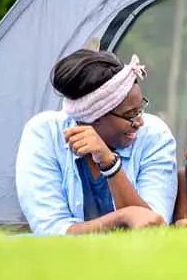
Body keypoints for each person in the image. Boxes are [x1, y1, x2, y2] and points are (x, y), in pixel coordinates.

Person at [15, 49, 177, 235]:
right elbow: (50, 229)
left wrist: (110, 165)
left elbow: (154, 226)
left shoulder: (154, 136)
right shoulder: (44, 134)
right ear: (94, 117)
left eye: (140, 109)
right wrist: (122, 217)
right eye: (130, 115)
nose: (139, 121)